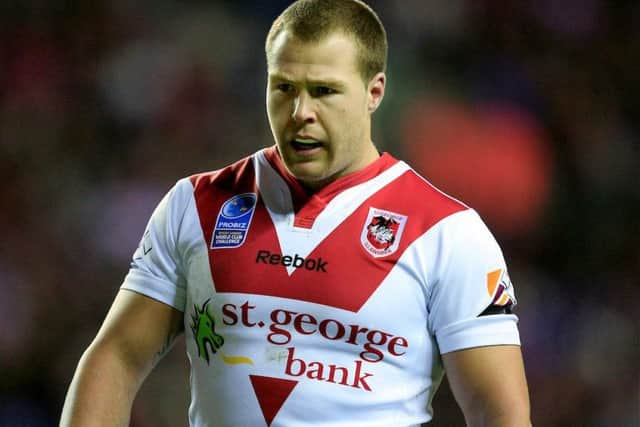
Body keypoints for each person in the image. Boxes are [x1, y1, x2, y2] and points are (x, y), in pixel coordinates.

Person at [60, 0, 531, 425]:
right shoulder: (196, 205)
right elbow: (116, 357)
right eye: (284, 87)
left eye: (324, 91)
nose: (300, 111)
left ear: (375, 91)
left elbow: (500, 413)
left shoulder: (448, 234)